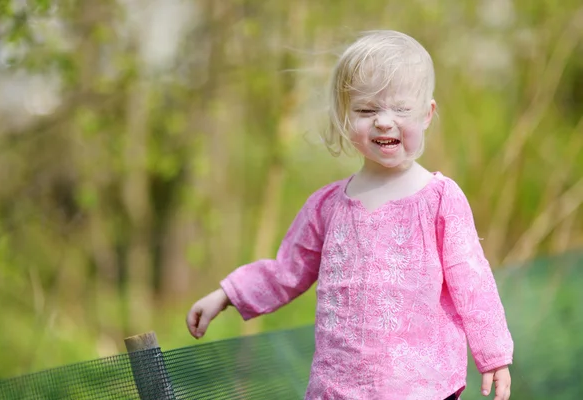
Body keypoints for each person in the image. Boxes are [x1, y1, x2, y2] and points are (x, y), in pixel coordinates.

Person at [186, 30, 513, 400]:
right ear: (345, 116)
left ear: (426, 114)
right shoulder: (327, 206)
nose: (384, 122)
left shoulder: (439, 199)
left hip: (421, 386)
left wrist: (494, 357)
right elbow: (286, 270)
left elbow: (472, 282)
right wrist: (227, 294)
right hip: (338, 386)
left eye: (400, 109)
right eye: (366, 110)